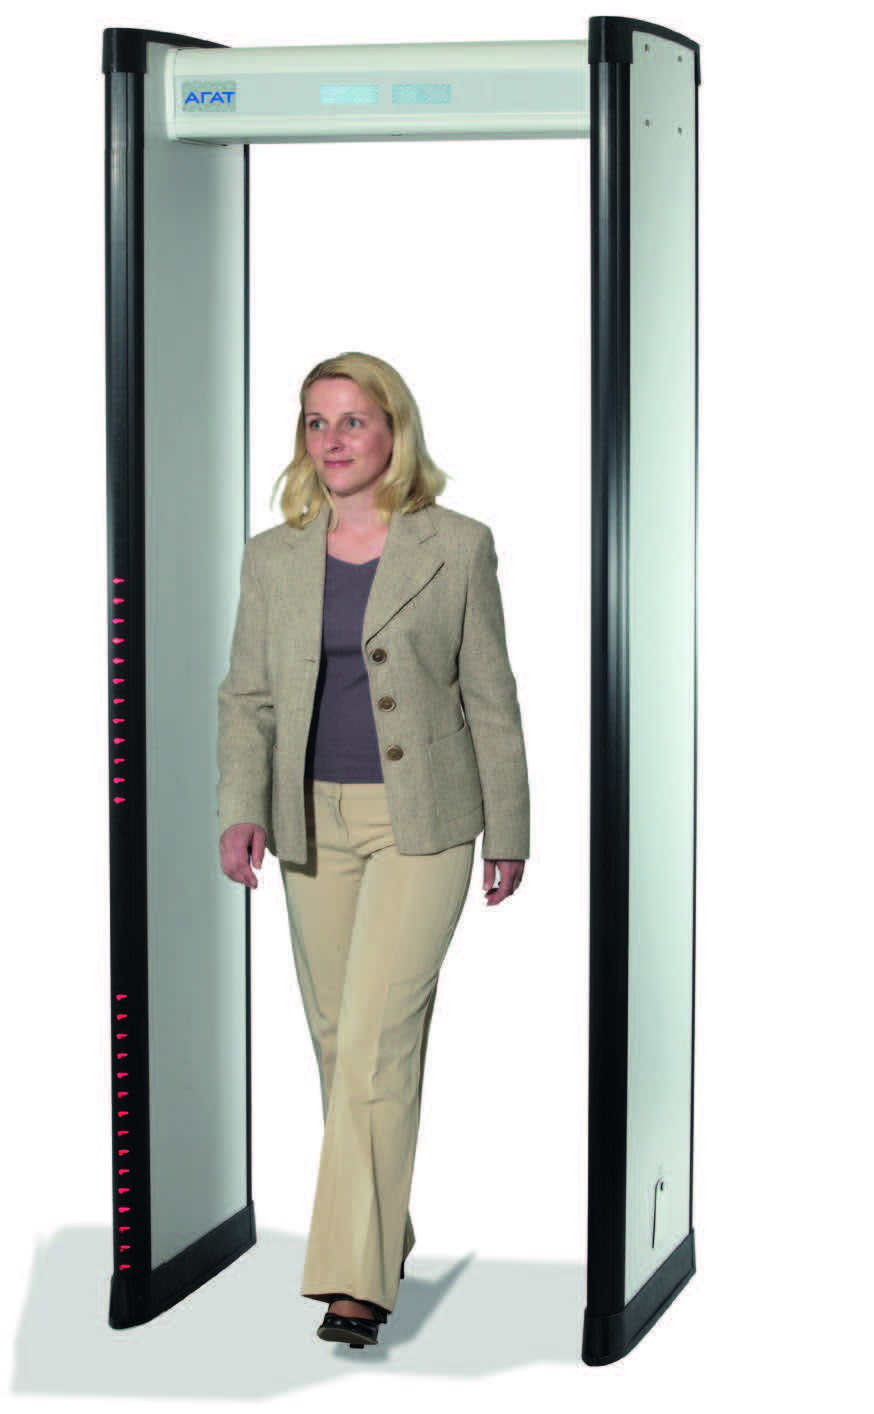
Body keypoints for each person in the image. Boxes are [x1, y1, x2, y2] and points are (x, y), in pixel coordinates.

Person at [217, 351, 530, 1347]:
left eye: (352, 420)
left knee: (374, 1040)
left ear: (394, 429)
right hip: (310, 823)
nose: (332, 440)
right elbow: (247, 697)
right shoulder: (273, 558)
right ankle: (381, 1228)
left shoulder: (457, 545)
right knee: (334, 1038)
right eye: (316, 423)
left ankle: (355, 1284)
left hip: (421, 824)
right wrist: (239, 806)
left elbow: (491, 696)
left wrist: (511, 827)